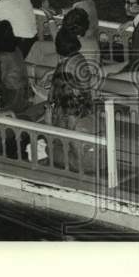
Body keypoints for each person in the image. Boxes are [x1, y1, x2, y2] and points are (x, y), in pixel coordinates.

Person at [47, 27, 97, 172]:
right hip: (84, 106)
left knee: (50, 150)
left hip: (84, 161)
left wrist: (49, 122)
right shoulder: (79, 57)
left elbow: (54, 96)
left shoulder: (65, 69)